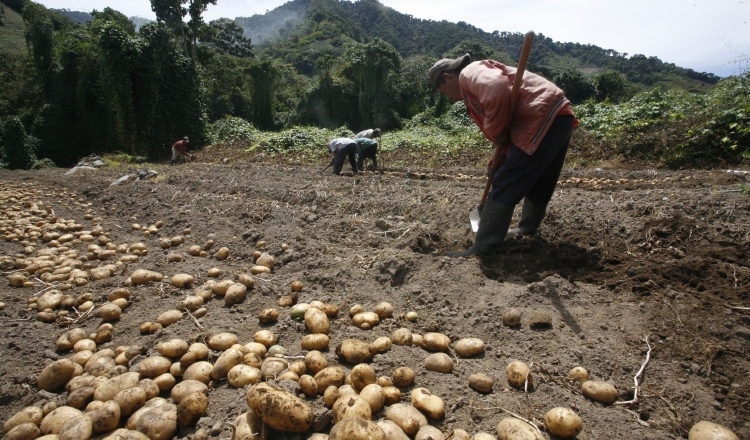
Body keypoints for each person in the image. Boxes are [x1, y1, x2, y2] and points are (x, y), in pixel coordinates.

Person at [429, 54, 576, 257]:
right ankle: (526, 228)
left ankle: (483, 246)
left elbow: (497, 89)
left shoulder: (468, 73)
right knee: (541, 179)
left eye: (445, 92)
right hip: (556, 116)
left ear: (447, 77)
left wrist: (497, 134)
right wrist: (504, 154)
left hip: (539, 115)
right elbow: (509, 121)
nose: (450, 98)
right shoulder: (471, 84)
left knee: (506, 180)